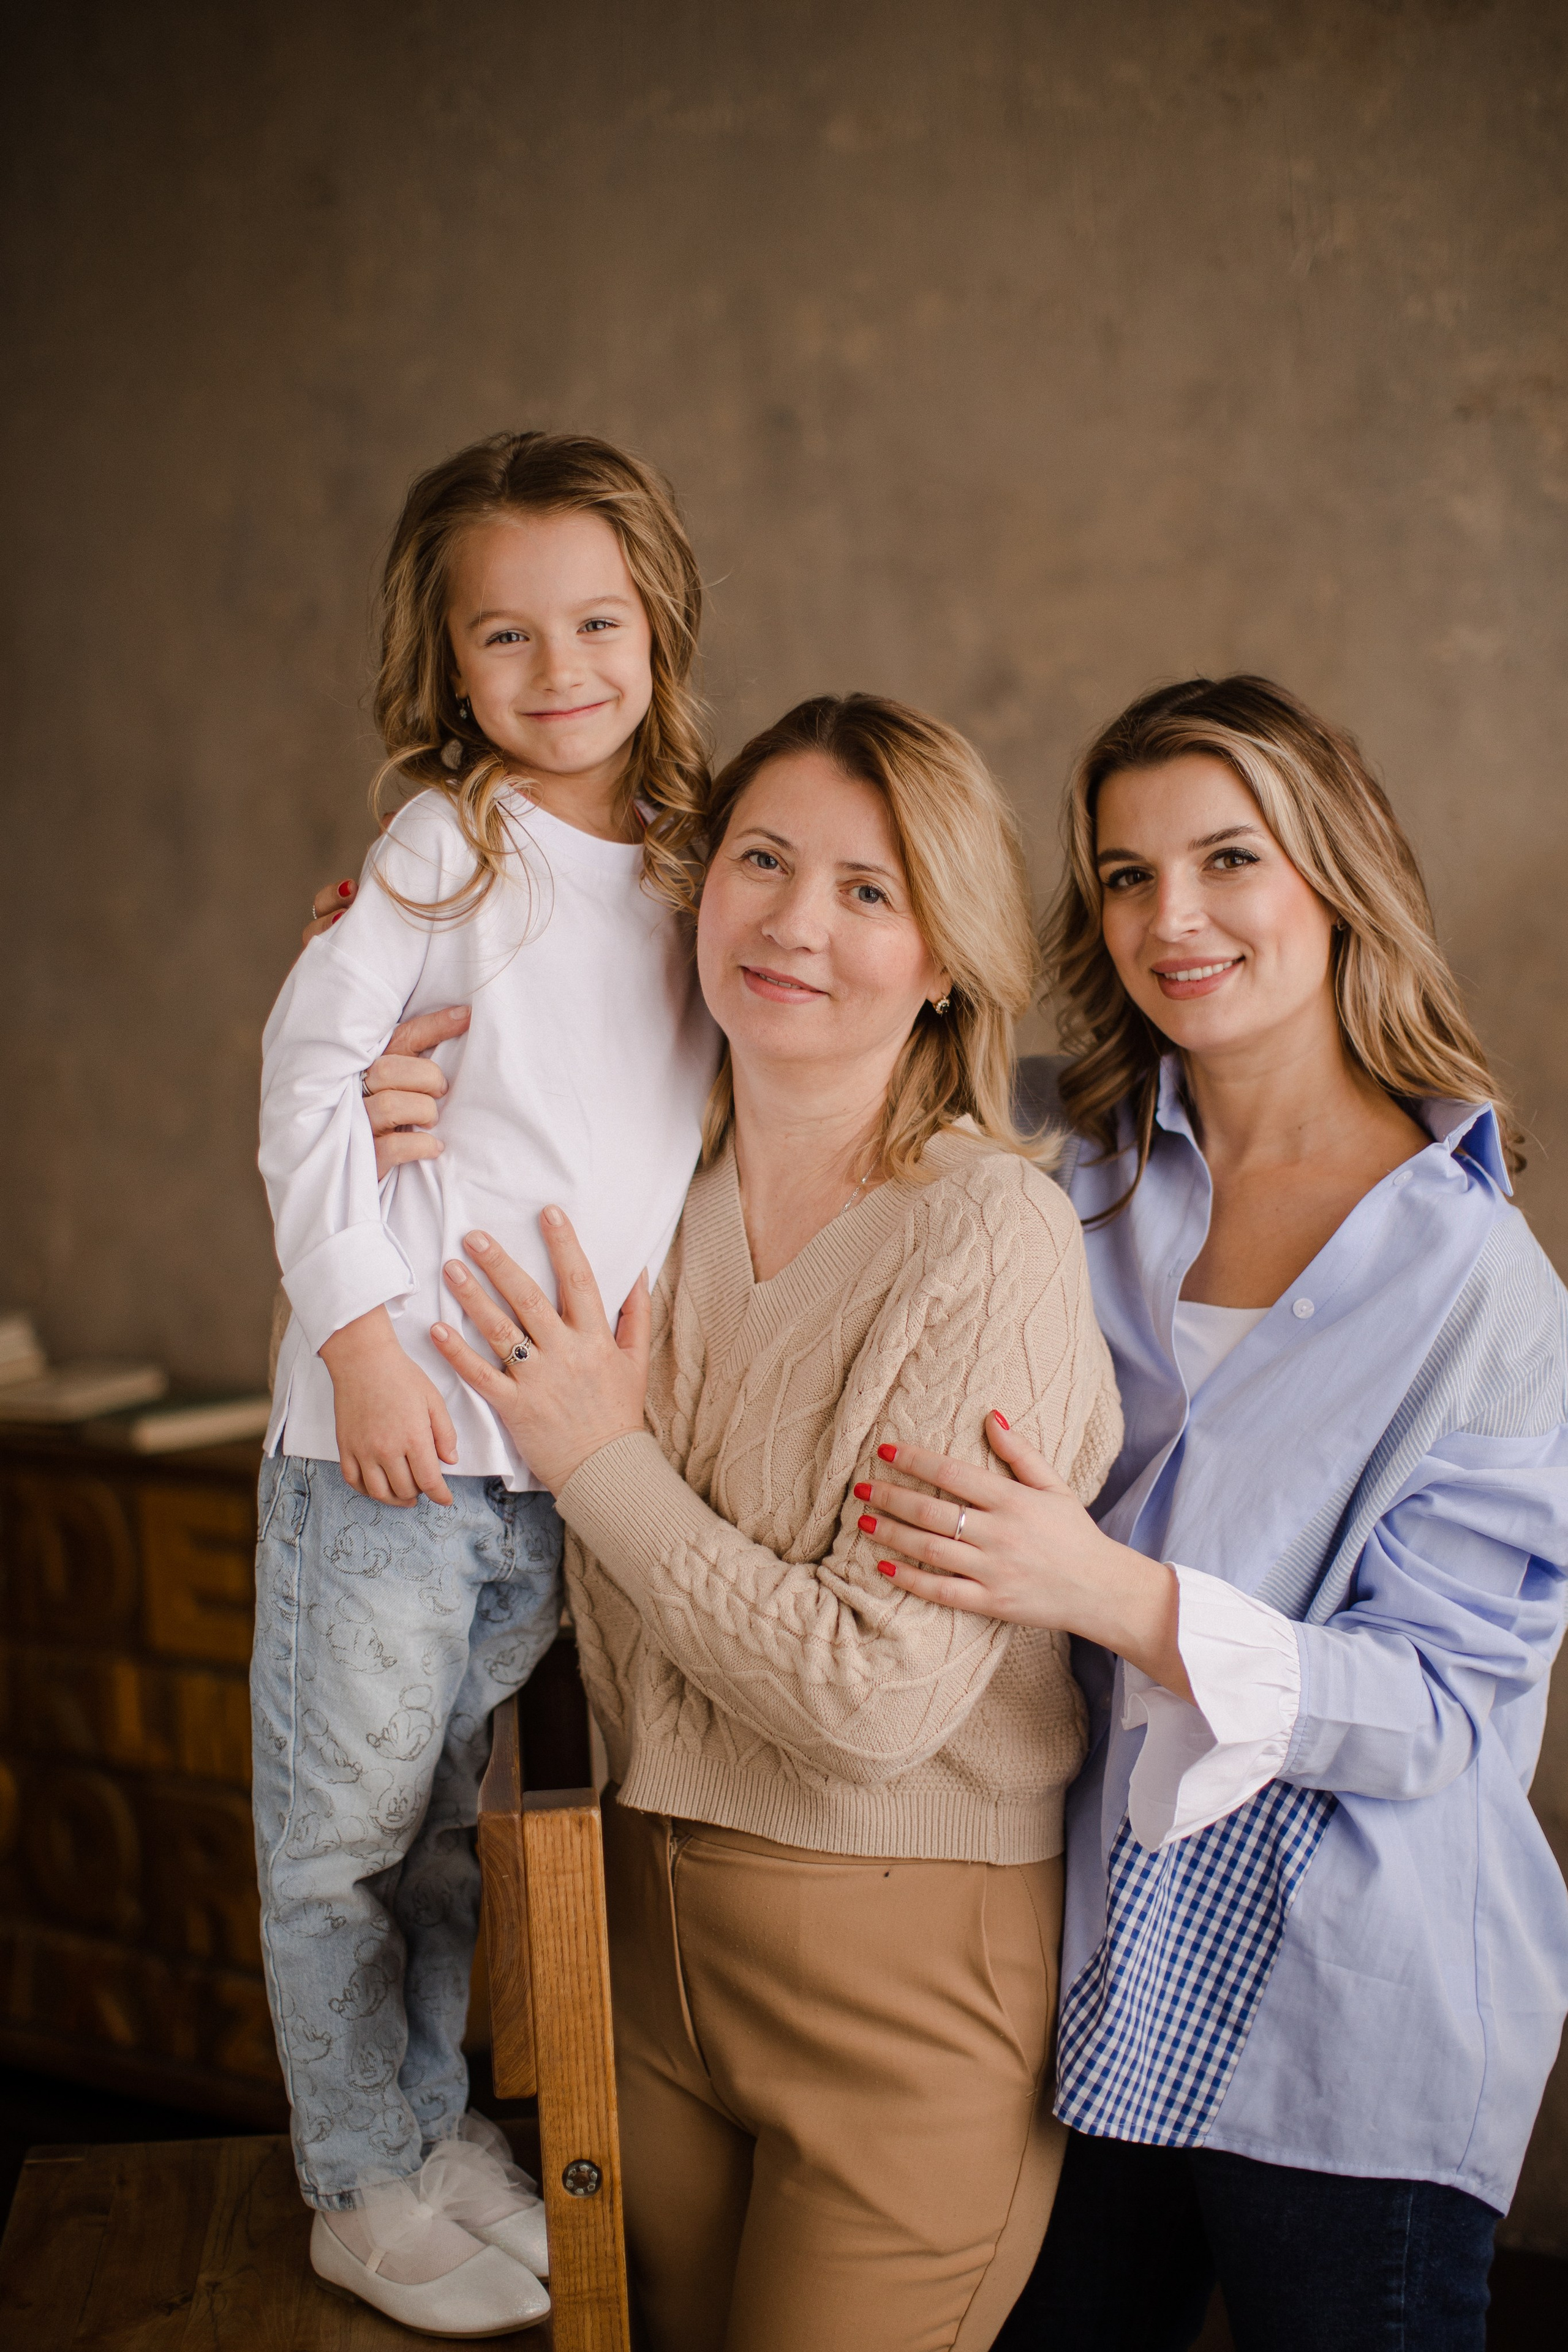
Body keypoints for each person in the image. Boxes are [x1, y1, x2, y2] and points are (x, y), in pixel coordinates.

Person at [396, 692, 1122, 2352]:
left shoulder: (986, 1238)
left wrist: (606, 1462)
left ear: (945, 955)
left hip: (903, 1984)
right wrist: (381, 1064)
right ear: (696, 888)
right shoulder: (646, 1187)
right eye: (765, 861)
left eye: (870, 890)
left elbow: (874, 1700)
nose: (799, 922)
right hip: (637, 1951)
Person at [861, 675, 1568, 2352]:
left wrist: (1108, 1591)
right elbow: (794, 1075)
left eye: (1228, 859)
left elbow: (1442, 1715)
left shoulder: (1478, 1285)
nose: (1171, 918)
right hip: (1073, 1974)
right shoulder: (1067, 1184)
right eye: (1123, 874)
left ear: (1336, 875)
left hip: (1347, 2002)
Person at [253, 428, 718, 2335]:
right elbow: (308, 1077)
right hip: (395, 1438)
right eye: (508, 638)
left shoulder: (697, 862)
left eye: (596, 622)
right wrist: (363, 1340)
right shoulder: (456, 842)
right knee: (342, 1836)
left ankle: (428, 2132)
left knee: (445, 1822)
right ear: (450, 661)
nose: (561, 673)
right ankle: (354, 2180)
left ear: (657, 624)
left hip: (544, 1459)